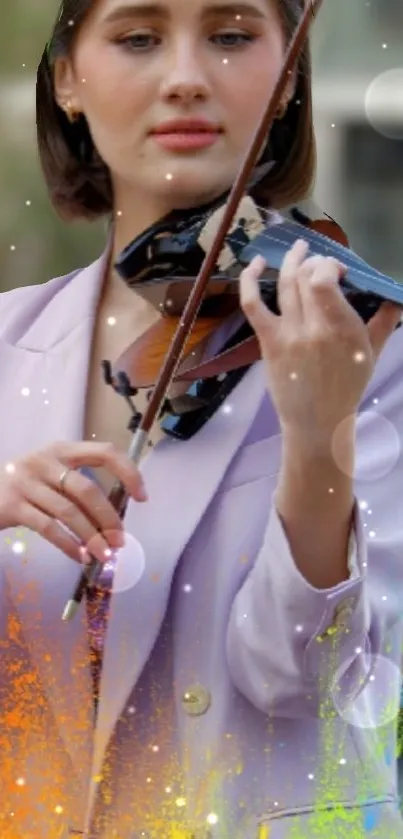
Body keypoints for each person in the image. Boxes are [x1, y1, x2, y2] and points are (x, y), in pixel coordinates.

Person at [1, 0, 403, 837]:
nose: (186, 78)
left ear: (287, 73)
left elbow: (306, 685)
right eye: (139, 37)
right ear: (68, 77)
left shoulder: (372, 350)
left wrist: (315, 439)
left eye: (229, 35)